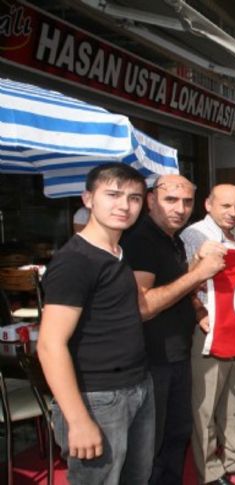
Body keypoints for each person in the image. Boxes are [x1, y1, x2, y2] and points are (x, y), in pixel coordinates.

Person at [38, 163, 153, 484]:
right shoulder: (76, 260)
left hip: (138, 386)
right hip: (97, 397)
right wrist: (78, 420)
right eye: (113, 194)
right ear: (88, 199)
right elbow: (49, 344)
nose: (124, 205)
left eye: (134, 198)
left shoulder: (116, 251)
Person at [120, 174, 226, 485]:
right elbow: (143, 306)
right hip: (152, 360)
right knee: (151, 446)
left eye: (186, 201)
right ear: (151, 200)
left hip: (177, 352)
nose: (180, 208)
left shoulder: (173, 238)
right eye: (170, 200)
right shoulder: (140, 239)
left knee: (177, 434)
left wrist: (196, 297)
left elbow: (175, 288)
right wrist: (197, 275)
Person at [181, 184, 235, 484]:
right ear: (208, 204)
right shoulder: (194, 235)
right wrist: (197, 311)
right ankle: (210, 471)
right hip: (208, 331)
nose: (233, 213)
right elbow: (184, 279)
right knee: (205, 406)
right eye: (226, 206)